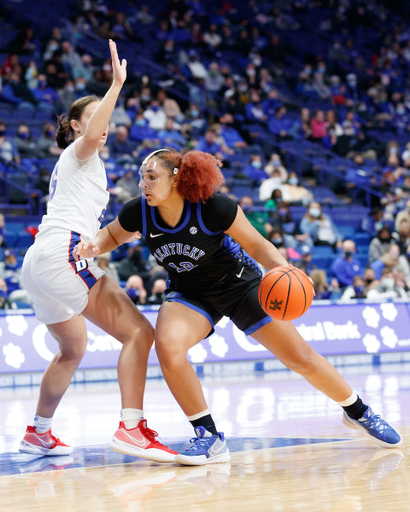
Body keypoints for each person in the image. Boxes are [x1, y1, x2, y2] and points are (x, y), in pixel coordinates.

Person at [74, 147, 402, 466]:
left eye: (150, 177)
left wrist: (284, 269)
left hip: (239, 285)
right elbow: (113, 237)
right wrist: (92, 246)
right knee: (167, 346)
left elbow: (258, 244)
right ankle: (209, 435)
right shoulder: (139, 211)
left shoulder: (214, 207)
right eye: (141, 178)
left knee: (300, 357)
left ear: (176, 179)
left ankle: (358, 411)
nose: (143, 184)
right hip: (190, 293)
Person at [19, 41, 176, 463]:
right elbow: (92, 134)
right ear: (74, 125)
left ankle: (39, 432)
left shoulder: (84, 163)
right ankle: (131, 429)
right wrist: (117, 85)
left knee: (72, 348)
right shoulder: (80, 152)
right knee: (139, 333)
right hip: (59, 255)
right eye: (93, 119)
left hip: (40, 260)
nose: (103, 127)